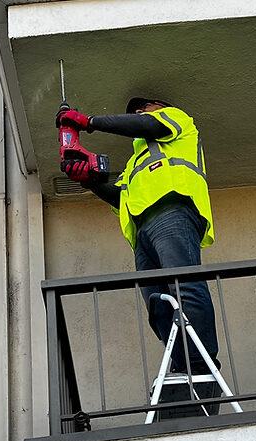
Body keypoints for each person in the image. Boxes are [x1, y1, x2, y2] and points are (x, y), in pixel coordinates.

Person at [57, 97, 220, 374]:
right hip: (142, 234)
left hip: (173, 210)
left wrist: (89, 122)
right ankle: (183, 369)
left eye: (143, 107)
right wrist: (90, 181)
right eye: (134, 110)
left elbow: (148, 125)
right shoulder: (134, 163)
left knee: (185, 288)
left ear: (159, 105)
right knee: (158, 307)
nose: (137, 112)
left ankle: (202, 365)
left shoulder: (179, 120)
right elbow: (120, 197)